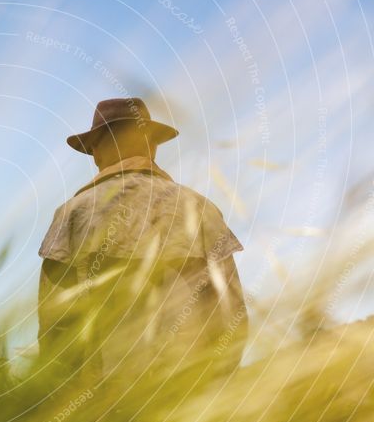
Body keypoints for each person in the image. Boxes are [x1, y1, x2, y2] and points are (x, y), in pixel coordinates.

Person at [37, 98, 247, 383]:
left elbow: (56, 326)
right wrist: (219, 383)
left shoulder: (72, 214)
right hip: (191, 392)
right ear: (152, 146)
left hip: (103, 401)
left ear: (97, 150)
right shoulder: (198, 207)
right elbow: (232, 310)